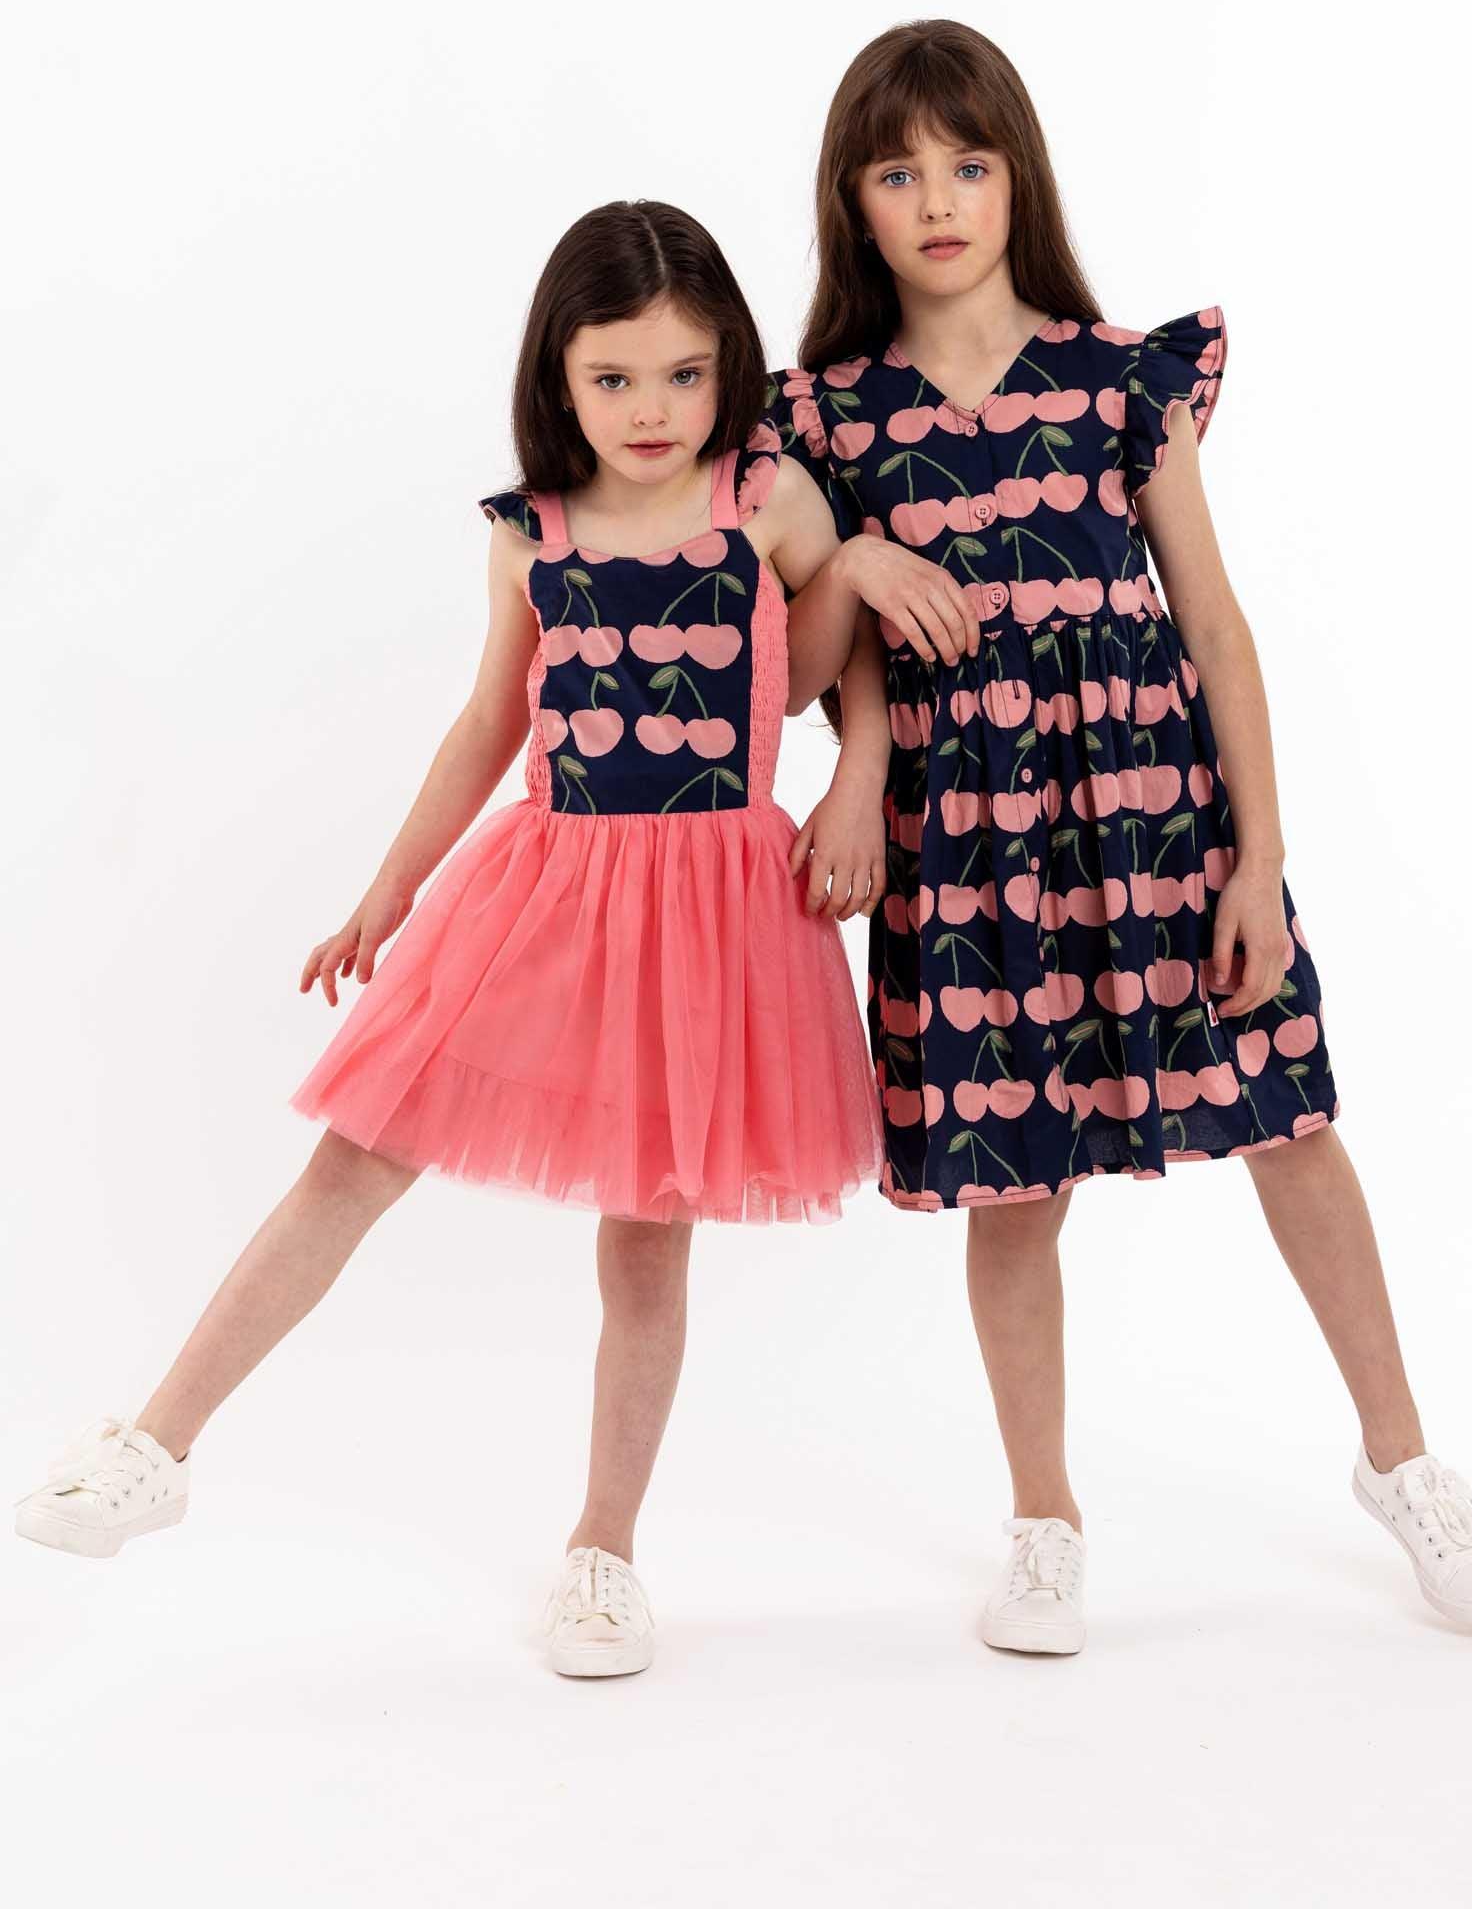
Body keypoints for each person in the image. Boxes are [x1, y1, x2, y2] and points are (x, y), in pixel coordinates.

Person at [14, 199, 888, 1678]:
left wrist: (860, 777)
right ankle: (155, 1444)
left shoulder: (772, 501)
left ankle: (603, 1555)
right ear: (558, 376)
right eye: (614, 379)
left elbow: (835, 659)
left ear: (727, 365)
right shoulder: (527, 534)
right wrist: (391, 887)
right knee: (354, 1156)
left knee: (648, 1237)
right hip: (547, 891)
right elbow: (490, 722)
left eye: (682, 374)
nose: (652, 410)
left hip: (717, 907)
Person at [765, 19, 1472, 1654]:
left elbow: (1219, 629)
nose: (940, 199)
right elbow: (833, 658)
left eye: (968, 162)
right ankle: (1043, 1521)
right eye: (899, 171)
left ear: (1016, 173)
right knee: (1015, 1189)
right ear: (855, 200)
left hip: (1155, 819)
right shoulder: (820, 420)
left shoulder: (1125, 379)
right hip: (967, 850)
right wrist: (854, 698)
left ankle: (1404, 1462)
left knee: (1291, 1121)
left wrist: (1256, 858)